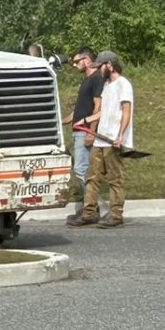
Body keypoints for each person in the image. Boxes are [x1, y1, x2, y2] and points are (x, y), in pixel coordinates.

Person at [67, 50, 134, 229]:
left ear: (109, 65)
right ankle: (89, 213)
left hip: (113, 140)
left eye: (101, 66)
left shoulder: (123, 84)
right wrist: (87, 120)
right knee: (91, 176)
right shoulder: (107, 86)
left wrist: (120, 136)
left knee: (115, 179)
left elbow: (126, 111)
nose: (98, 69)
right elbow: (102, 111)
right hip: (100, 140)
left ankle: (115, 215)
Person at [60, 46, 103, 218]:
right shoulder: (86, 80)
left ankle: (91, 209)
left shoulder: (96, 79)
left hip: (85, 131)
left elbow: (98, 106)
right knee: (81, 169)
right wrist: (61, 122)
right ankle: (91, 207)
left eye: (77, 61)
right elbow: (79, 110)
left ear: (87, 60)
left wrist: (91, 133)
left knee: (82, 170)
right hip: (78, 129)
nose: (74, 64)